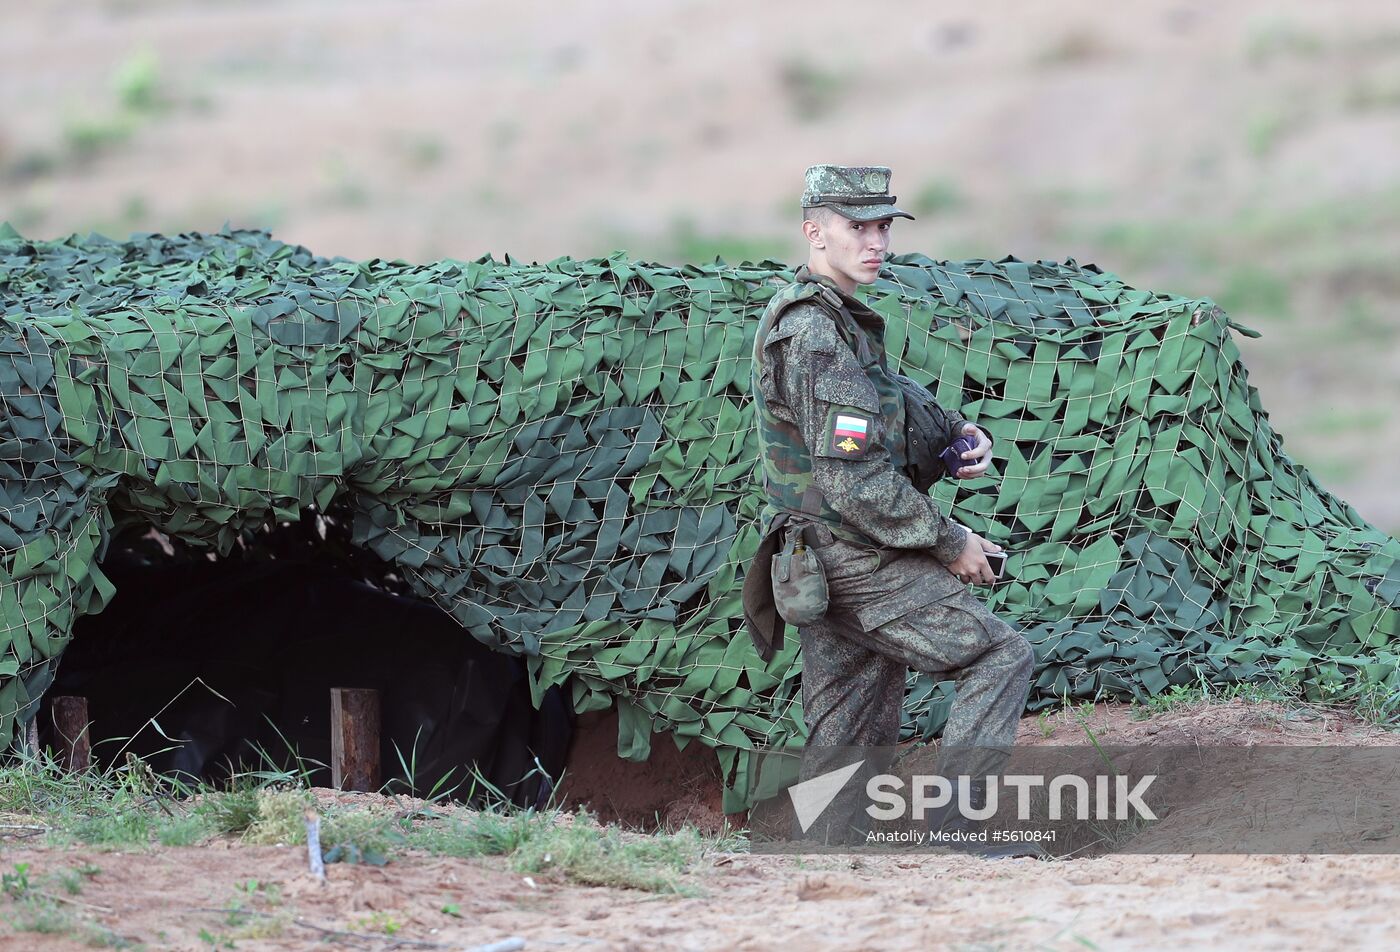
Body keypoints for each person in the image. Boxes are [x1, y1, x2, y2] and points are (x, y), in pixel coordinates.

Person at [742, 164, 1035, 845]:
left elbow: (888, 404)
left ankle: (826, 857)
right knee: (999, 656)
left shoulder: (836, 322)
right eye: (858, 227)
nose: (876, 243)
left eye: (882, 227)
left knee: (851, 721)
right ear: (815, 232)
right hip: (851, 553)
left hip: (819, 557)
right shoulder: (814, 334)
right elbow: (855, 482)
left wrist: (962, 434)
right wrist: (949, 540)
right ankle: (957, 836)